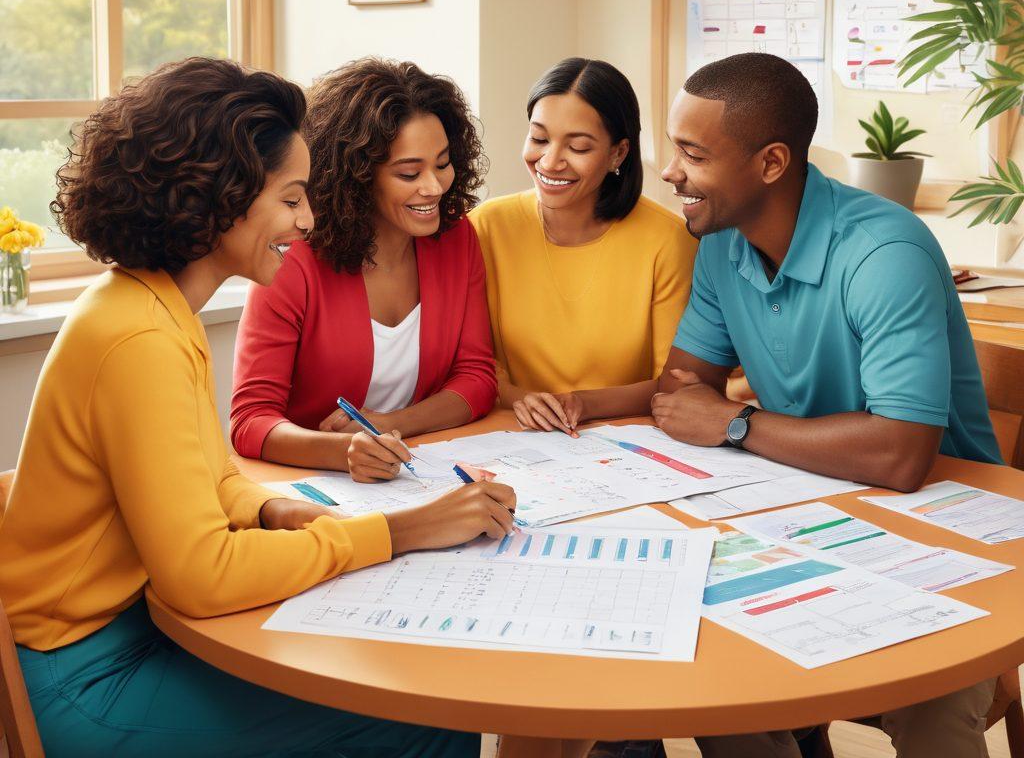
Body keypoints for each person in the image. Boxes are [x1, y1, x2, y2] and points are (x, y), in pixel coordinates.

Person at [0, 57, 515, 758]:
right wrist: (396, 533)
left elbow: (207, 474)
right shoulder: (140, 339)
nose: (307, 220)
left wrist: (272, 509)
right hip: (87, 671)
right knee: (421, 712)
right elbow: (202, 575)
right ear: (222, 197)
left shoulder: (151, 306)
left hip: (128, 631)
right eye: (292, 198)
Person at [579, 52, 1000, 757]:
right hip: (806, 517)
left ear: (771, 163)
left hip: (950, 544)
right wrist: (710, 416)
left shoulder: (882, 252)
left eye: (691, 153)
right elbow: (684, 397)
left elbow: (901, 454)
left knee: (933, 712)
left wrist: (738, 423)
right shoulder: (722, 244)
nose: (670, 172)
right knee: (721, 685)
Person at [231, 58, 496, 478]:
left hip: (417, 471)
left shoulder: (456, 238)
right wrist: (342, 451)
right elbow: (250, 420)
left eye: (442, 164)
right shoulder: (293, 258)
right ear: (357, 175)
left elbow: (477, 378)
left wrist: (391, 424)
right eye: (409, 172)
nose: (433, 187)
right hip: (310, 487)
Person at [469, 57, 695, 435]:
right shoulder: (486, 227)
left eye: (577, 147)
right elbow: (476, 364)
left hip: (627, 438)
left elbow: (672, 381)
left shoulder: (666, 239)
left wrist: (582, 403)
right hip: (511, 433)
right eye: (539, 139)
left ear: (618, 154)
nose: (550, 161)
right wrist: (522, 399)